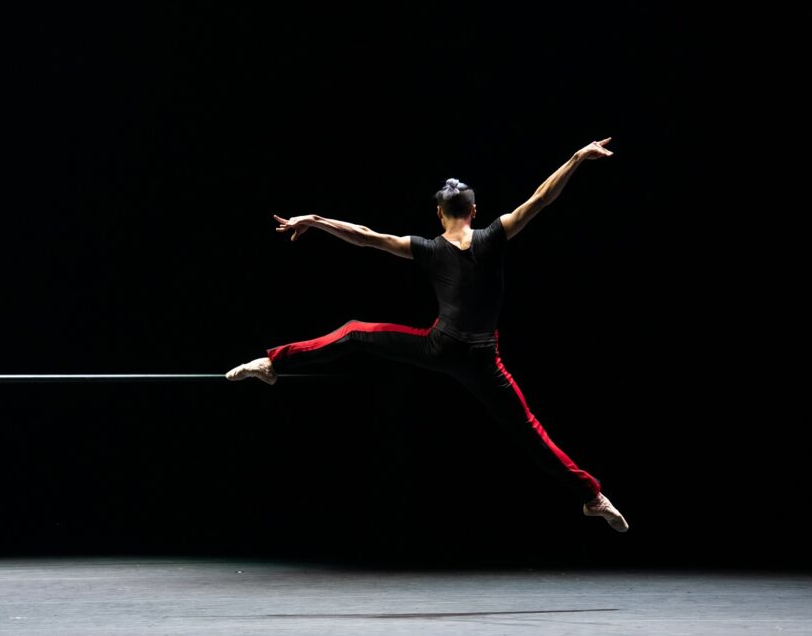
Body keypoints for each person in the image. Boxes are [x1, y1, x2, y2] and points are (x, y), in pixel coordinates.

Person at [226, 137, 628, 532]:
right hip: (484, 361)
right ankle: (592, 497)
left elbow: (366, 236)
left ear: (440, 214)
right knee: (531, 432)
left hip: (439, 347)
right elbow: (541, 197)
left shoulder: (427, 247)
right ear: (474, 210)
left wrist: (315, 220)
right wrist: (577, 157)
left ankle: (271, 363)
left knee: (353, 332)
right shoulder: (494, 235)